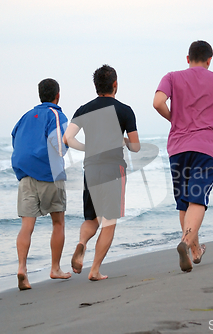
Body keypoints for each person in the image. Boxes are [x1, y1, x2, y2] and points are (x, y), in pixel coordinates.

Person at [153, 40, 213, 272]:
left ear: (187, 58)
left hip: (178, 148)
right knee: (198, 198)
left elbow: (157, 102)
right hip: (205, 148)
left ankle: (194, 249)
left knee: (184, 201)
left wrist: (174, 117)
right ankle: (185, 242)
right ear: (209, 60)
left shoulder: (172, 77)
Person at [64, 65, 140, 281]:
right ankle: (95, 270)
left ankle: (82, 243)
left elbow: (67, 139)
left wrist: (87, 148)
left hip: (91, 168)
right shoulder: (125, 110)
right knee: (109, 221)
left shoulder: (84, 109)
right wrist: (123, 140)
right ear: (115, 84)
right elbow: (135, 147)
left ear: (96, 86)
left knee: (91, 218)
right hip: (113, 168)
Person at [11, 78, 71, 290]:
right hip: (50, 174)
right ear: (58, 94)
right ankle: (55, 268)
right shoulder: (56, 114)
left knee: (26, 226)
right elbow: (60, 144)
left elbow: (14, 139)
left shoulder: (25, 116)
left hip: (25, 176)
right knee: (58, 222)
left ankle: (22, 269)